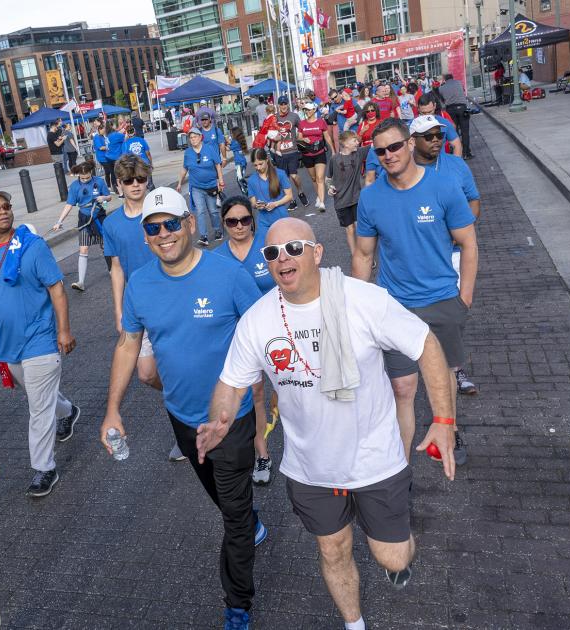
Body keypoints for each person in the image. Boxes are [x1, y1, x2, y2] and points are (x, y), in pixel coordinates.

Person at [207, 217, 458, 630]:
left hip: (374, 456)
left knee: (392, 556)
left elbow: (426, 343)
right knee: (333, 550)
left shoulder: (363, 300)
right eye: (272, 253)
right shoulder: (258, 319)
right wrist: (220, 416)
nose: (282, 259)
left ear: (317, 253)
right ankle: (354, 624)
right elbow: (230, 384)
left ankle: (390, 543)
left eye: (293, 249)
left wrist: (444, 421)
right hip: (311, 468)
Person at [100, 187, 265, 630]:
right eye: (153, 229)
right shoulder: (140, 285)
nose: (163, 234)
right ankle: (249, 518)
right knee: (222, 499)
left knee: (232, 518)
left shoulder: (229, 276)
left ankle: (237, 604)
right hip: (181, 418)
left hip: (232, 419)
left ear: (190, 223)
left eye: (171, 223)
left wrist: (267, 417)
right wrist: (112, 409)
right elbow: (128, 342)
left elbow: (262, 340)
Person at [352, 118, 478, 467]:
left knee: (446, 376)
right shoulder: (371, 198)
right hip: (395, 306)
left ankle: (448, 431)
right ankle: (399, 464)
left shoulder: (444, 186)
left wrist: (463, 298)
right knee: (402, 389)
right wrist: (359, 308)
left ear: (409, 144)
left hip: (441, 301)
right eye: (380, 151)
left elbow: (469, 243)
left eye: (394, 146)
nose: (388, 155)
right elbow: (363, 255)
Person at [0, 190, 80, 497]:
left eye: (6, 206)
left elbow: (56, 289)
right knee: (39, 396)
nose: (3, 211)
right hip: (7, 344)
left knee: (38, 409)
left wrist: (64, 330)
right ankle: (68, 411)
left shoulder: (33, 246)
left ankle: (44, 469)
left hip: (40, 339)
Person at [101, 155, 185, 462]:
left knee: (179, 363)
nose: (136, 185)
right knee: (147, 373)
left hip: (173, 298)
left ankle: (185, 429)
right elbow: (116, 269)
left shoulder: (160, 212)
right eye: (128, 181)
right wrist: (118, 310)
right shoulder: (111, 223)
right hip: (138, 306)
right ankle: (185, 396)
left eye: (140, 179)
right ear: (118, 185)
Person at [409, 115, 482, 396]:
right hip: (418, 255)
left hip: (452, 252)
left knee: (452, 315)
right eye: (429, 136)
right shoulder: (404, 169)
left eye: (439, 134)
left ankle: (455, 367)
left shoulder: (455, 165)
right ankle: (422, 363)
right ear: (413, 140)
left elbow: (473, 201)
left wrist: (459, 230)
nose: (437, 140)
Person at [212, 196, 278, 485]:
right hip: (242, 340)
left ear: (253, 219)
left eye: (245, 220)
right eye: (232, 221)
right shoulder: (217, 258)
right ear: (224, 224)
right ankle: (261, 453)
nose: (239, 226)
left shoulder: (269, 245)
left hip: (277, 331)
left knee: (291, 391)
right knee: (256, 394)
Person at [52, 161, 112, 292]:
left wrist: (104, 198)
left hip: (99, 217)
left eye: (87, 177)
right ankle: (81, 282)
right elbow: (69, 205)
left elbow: (109, 197)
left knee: (105, 246)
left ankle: (112, 270)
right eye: (82, 177)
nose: (84, 180)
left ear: (91, 172)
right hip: (84, 219)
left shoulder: (99, 181)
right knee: (83, 249)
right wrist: (59, 221)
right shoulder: (74, 186)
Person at [176, 127, 224, 246]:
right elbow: (184, 168)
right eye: (191, 138)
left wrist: (221, 181)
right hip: (196, 187)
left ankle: (218, 230)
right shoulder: (188, 153)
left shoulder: (210, 149)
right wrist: (179, 183)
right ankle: (204, 236)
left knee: (213, 211)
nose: (193, 139)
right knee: (200, 211)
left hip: (211, 186)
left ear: (200, 137)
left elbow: (218, 165)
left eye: (195, 137)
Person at [326, 130, 369, 256]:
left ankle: (364, 255)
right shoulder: (334, 159)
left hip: (356, 198)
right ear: (345, 143)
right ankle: (355, 255)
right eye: (354, 140)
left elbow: (376, 143)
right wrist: (329, 187)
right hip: (341, 201)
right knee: (350, 230)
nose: (357, 142)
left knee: (359, 228)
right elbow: (328, 178)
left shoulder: (359, 153)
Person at [297, 102, 334, 212]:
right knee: (313, 178)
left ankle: (322, 203)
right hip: (307, 154)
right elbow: (299, 138)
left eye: (309, 110)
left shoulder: (321, 122)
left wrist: (333, 150)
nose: (307, 112)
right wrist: (303, 139)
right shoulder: (302, 123)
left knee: (319, 177)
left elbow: (327, 137)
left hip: (320, 153)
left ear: (314, 110)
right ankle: (319, 196)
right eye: (305, 110)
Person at [247, 147, 293, 234]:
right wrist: (257, 205)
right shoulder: (251, 180)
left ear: (267, 160)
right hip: (263, 222)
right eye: (255, 165)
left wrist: (275, 204)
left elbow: (289, 196)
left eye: (260, 164)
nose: (258, 168)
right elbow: (252, 203)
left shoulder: (280, 173)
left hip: (281, 217)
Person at [437, 73, 472, 160]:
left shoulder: (441, 88)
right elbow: (463, 91)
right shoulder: (459, 83)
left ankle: (456, 153)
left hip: (450, 110)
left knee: (453, 132)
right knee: (465, 131)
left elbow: (441, 99)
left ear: (444, 79)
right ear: (453, 78)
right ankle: (466, 153)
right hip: (462, 107)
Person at [416, 93, 462, 158]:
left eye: (429, 112)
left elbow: (456, 144)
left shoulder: (444, 123)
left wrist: (456, 164)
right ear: (418, 108)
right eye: (423, 113)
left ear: (434, 106)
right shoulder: (412, 125)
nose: (427, 116)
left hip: (441, 165)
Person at [105, 119, 127, 189]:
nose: (116, 126)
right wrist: (125, 133)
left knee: (112, 173)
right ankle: (119, 188)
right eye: (115, 124)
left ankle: (115, 187)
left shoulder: (108, 135)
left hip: (108, 157)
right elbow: (126, 137)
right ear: (112, 126)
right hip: (116, 157)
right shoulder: (116, 135)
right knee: (119, 173)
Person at [228, 126, 249, 193]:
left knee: (239, 178)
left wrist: (224, 142)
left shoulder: (235, 142)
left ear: (235, 134)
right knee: (239, 178)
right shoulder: (238, 141)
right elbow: (231, 145)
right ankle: (245, 189)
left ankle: (247, 189)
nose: (230, 135)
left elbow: (228, 149)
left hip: (239, 162)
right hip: (242, 161)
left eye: (231, 133)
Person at [91, 118, 112, 185]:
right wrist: (109, 147)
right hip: (101, 157)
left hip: (106, 156)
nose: (105, 130)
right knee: (108, 171)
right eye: (104, 129)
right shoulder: (97, 137)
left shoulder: (102, 136)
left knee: (108, 171)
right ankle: (108, 185)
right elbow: (100, 147)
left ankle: (109, 185)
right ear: (100, 129)